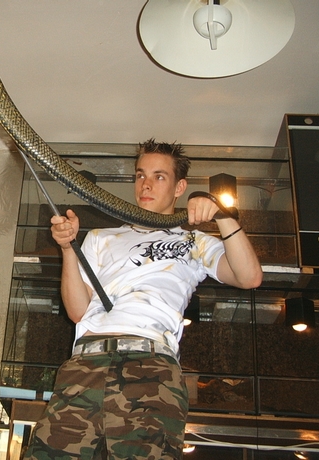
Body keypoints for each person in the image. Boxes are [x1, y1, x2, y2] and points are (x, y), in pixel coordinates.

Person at [23, 139, 262, 460]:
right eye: (140, 175)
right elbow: (78, 312)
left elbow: (249, 277)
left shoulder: (194, 240)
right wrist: (68, 248)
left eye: (159, 176)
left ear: (179, 187)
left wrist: (223, 215)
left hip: (151, 368)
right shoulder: (100, 237)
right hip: (85, 363)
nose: (146, 184)